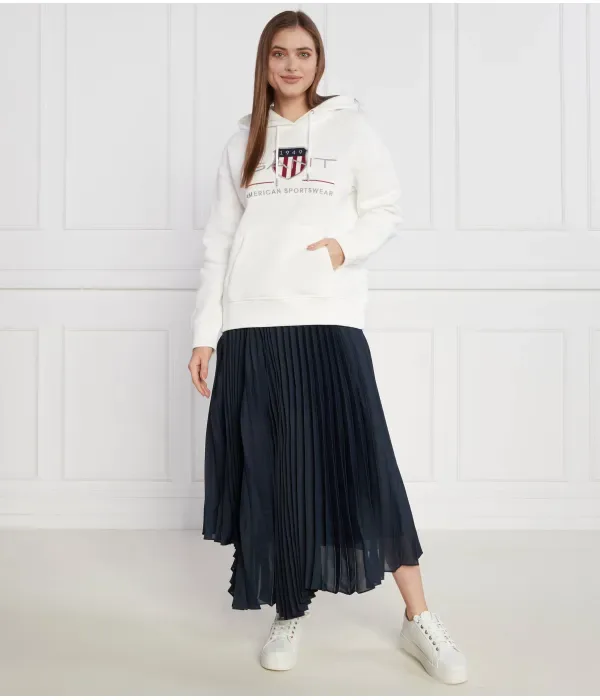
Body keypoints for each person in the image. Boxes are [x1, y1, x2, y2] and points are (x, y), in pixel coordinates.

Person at [188, 9, 467, 685]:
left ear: (319, 62)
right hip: (251, 325)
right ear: (264, 62)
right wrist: (205, 332)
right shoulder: (243, 140)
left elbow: (386, 207)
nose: (291, 65)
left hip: (327, 317)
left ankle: (419, 617)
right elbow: (219, 240)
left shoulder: (351, 129)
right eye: (279, 53)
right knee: (278, 473)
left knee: (365, 463)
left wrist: (343, 248)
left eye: (304, 53)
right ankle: (290, 608)